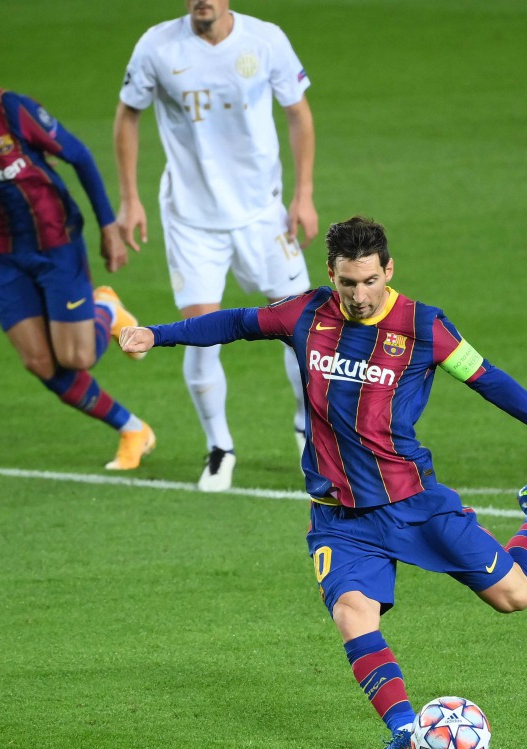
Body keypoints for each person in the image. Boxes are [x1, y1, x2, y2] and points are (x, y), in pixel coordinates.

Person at [121, 216, 527, 749]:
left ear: (388, 270)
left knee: (515, 597)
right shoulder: (306, 313)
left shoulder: (424, 327)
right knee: (353, 613)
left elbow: (488, 378)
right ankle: (405, 734)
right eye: (347, 283)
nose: (359, 295)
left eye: (370, 281)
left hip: (413, 503)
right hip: (339, 517)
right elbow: (235, 321)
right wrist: (156, 334)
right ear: (332, 274)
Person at [0, 31, 154, 470]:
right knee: (40, 362)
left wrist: (107, 226)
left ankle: (106, 310)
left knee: (77, 356)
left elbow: (78, 156)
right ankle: (132, 428)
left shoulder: (10, 109)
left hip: (55, 240)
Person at [113, 0, 318, 491]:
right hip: (192, 220)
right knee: (199, 333)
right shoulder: (157, 46)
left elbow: (298, 114)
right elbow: (127, 116)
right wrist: (129, 198)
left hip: (262, 213)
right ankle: (219, 448)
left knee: (303, 329)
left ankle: (306, 427)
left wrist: (303, 193)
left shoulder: (265, 39)